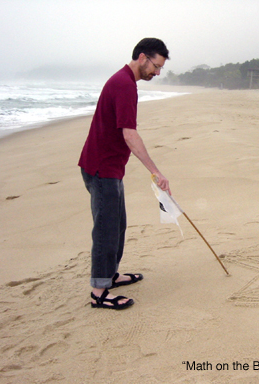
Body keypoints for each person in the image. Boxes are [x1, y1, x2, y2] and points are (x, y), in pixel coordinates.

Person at [79, 38, 171, 310]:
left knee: (117, 225)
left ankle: (111, 275)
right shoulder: (123, 85)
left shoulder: (125, 82)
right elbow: (128, 133)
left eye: (160, 68)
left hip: (109, 167)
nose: (157, 73)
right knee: (106, 230)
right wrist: (156, 171)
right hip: (101, 168)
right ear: (142, 57)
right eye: (156, 66)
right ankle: (99, 291)